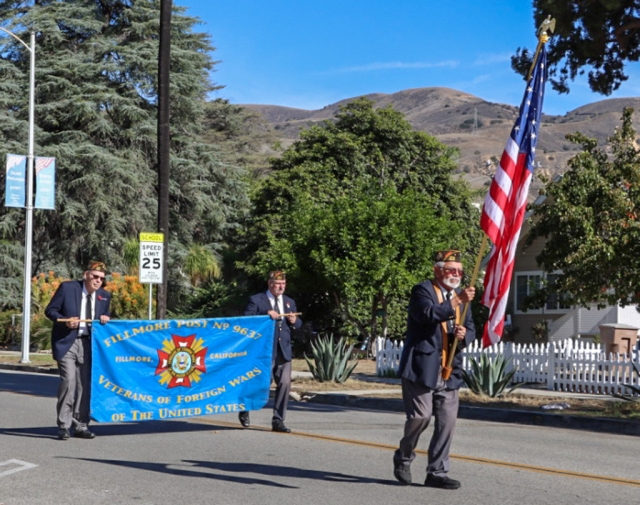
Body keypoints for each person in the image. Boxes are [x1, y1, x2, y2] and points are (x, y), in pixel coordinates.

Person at [393, 250, 476, 490]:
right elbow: (427, 314)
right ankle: (404, 456)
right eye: (451, 270)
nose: (456, 275)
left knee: (447, 423)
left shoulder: (461, 298)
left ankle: (437, 472)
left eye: (460, 271)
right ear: (437, 270)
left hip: (449, 369)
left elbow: (470, 327)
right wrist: (456, 301)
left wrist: (465, 335)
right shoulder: (423, 290)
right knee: (420, 417)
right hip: (422, 367)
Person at [45, 260, 111, 440]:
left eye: (101, 278)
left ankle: (81, 425)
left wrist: (106, 317)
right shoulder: (68, 288)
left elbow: (103, 319)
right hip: (67, 341)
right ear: (86, 275)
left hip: (89, 344)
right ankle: (63, 425)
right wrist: (65, 320)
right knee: (68, 381)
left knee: (85, 386)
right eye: (95, 277)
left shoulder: (104, 296)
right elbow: (50, 311)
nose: (98, 281)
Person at [239, 270, 303, 433]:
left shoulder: (289, 302)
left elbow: (297, 325)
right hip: (264, 351)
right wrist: (265, 314)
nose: (280, 287)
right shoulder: (257, 300)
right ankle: (245, 408)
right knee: (261, 384)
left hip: (284, 351)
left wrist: (295, 321)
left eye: (283, 284)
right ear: (270, 284)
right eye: (277, 284)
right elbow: (247, 321)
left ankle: (278, 419)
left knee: (284, 384)